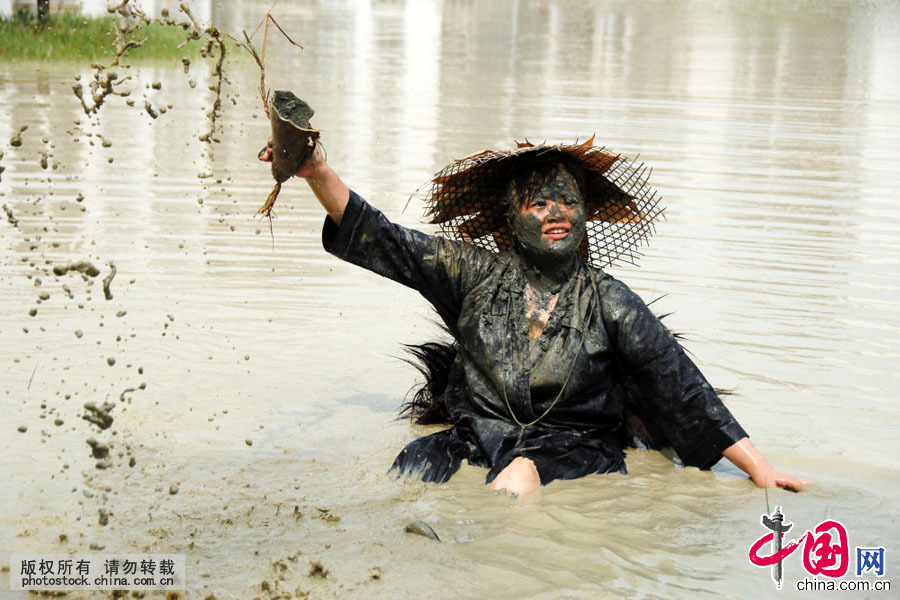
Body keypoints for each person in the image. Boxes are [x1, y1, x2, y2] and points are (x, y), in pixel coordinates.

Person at [262, 137, 812, 497]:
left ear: (585, 215)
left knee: (521, 476)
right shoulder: (472, 273)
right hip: (478, 435)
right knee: (413, 466)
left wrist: (759, 469)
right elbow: (385, 239)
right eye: (539, 202)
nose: (556, 213)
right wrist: (315, 171)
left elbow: (682, 387)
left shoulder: (610, 300)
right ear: (511, 216)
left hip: (573, 445)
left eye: (568, 202)